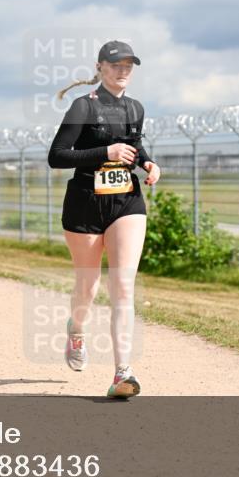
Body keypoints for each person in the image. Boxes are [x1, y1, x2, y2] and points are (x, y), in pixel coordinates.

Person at [48, 40, 162, 399]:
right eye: (116, 65)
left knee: (123, 285)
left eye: (129, 65)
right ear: (100, 67)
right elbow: (58, 156)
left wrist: (147, 162)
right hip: (84, 205)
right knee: (88, 286)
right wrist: (105, 152)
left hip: (125, 202)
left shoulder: (135, 108)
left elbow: (134, 145)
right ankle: (76, 330)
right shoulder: (84, 106)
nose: (123, 70)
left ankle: (122, 372)